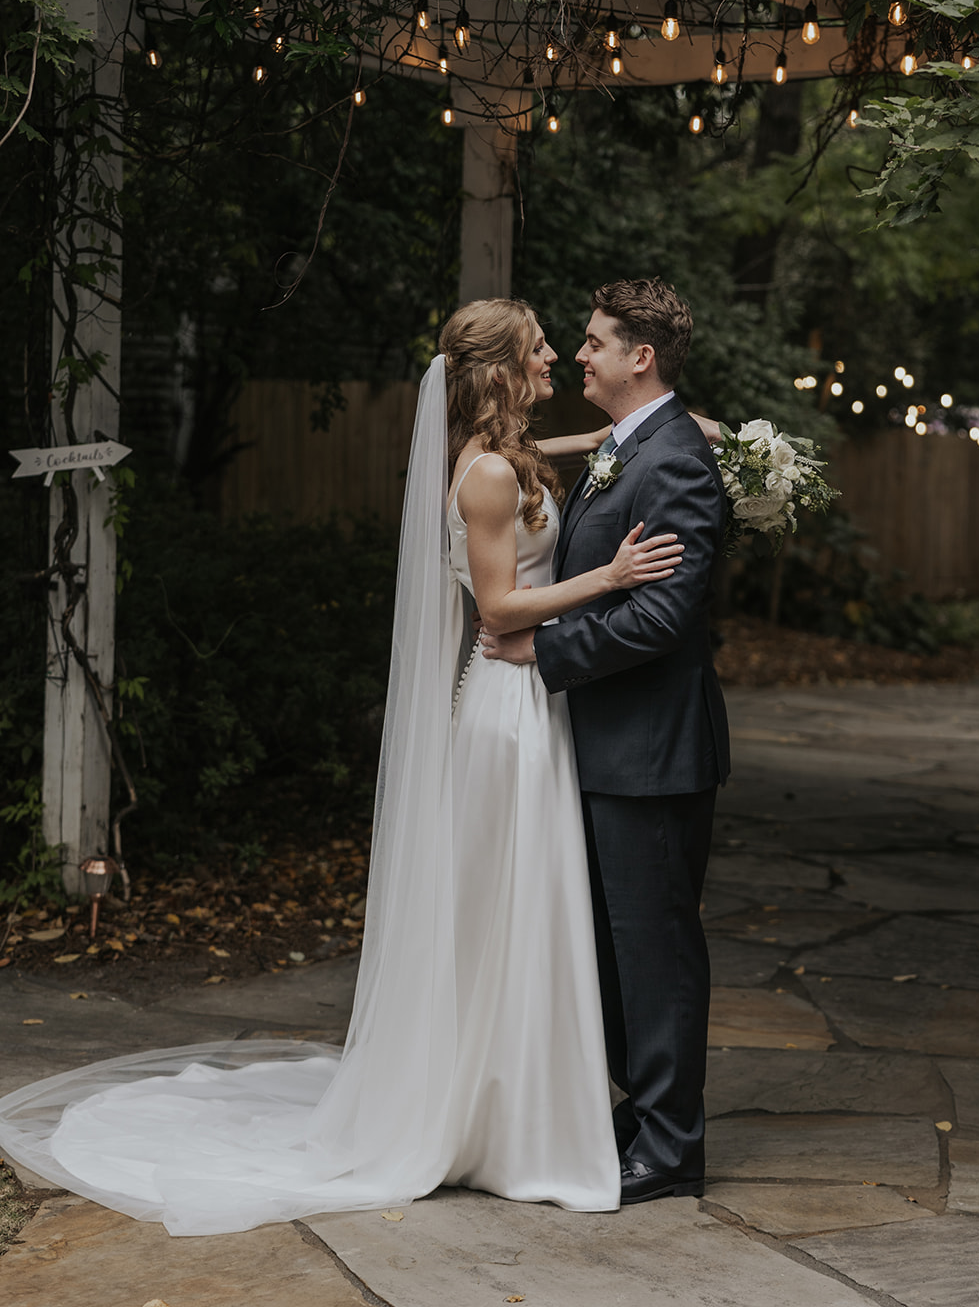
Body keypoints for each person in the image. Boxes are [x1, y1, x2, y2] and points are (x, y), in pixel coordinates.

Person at [0, 297, 686, 1234]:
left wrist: (652, 434)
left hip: (532, 703)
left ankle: (515, 1101)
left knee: (521, 905)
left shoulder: (508, 457)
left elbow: (557, 455)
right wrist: (610, 577)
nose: (553, 362)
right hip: (504, 703)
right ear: (494, 372)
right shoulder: (484, 474)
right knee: (505, 904)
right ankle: (493, 1115)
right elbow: (497, 609)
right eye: (535, 353)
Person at [481, 278, 730, 1205]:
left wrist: (539, 647)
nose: (576, 356)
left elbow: (662, 616)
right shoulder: (630, 445)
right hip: (602, 747)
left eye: (592, 343)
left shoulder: (671, 461)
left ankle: (670, 1147)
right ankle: (643, 1109)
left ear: (642, 359)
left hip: (653, 754)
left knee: (655, 951)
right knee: (611, 950)